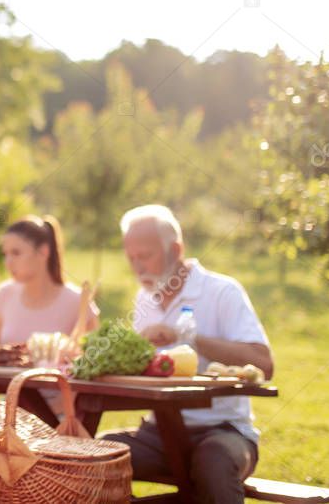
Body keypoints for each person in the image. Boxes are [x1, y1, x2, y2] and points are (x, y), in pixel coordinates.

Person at [101, 205, 274, 504]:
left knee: (214, 461)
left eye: (145, 256)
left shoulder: (222, 291)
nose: (137, 267)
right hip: (160, 433)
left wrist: (189, 337)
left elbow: (263, 363)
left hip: (223, 431)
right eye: (131, 258)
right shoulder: (145, 299)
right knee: (96, 455)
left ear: (176, 249)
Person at [0, 215, 99, 347]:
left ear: (43, 252)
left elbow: (95, 355)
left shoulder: (78, 301)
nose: (8, 263)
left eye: (16, 253)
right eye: (5, 254)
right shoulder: (5, 294)